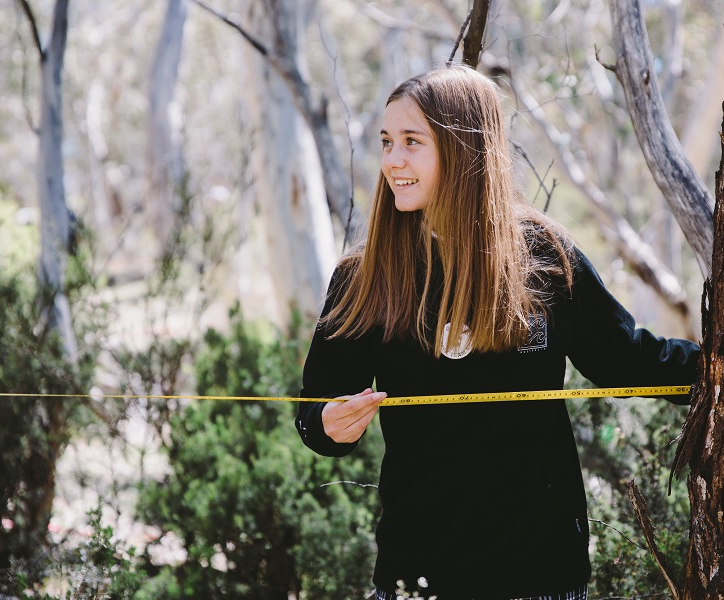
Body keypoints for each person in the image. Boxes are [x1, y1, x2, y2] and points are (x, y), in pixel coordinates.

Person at [296, 65, 700, 600]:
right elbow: (314, 413)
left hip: (540, 572)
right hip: (420, 572)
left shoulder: (545, 257)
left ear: (464, 150)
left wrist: (722, 366)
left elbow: (625, 359)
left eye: (412, 142)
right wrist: (328, 424)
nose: (392, 161)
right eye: (387, 142)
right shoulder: (365, 276)